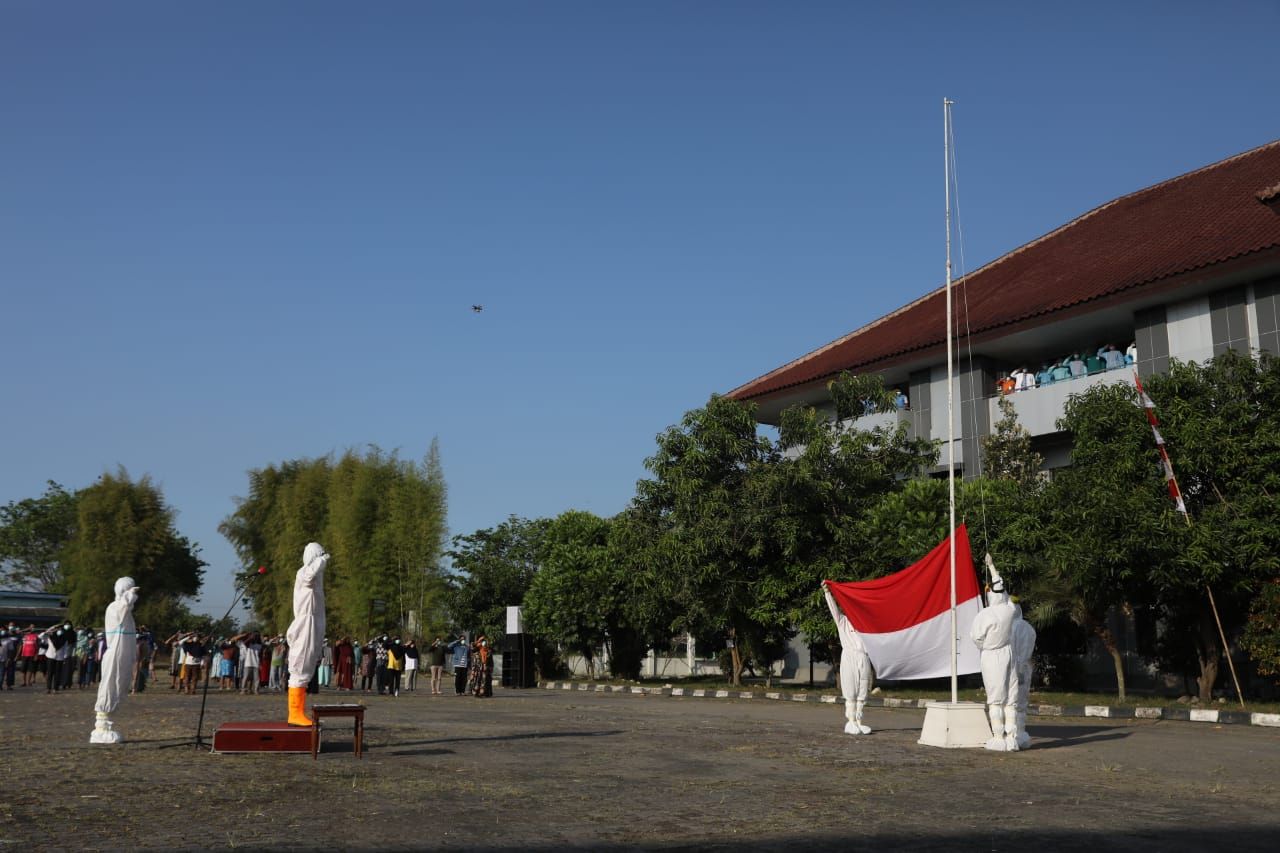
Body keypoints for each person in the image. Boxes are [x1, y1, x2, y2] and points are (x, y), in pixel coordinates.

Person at [970, 556, 1019, 752]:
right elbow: (1000, 586)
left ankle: (998, 737)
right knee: (1010, 697)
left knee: (995, 698)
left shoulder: (985, 615)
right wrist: (991, 567)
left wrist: (986, 645)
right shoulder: (1010, 610)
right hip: (1009, 653)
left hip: (991, 655)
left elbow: (976, 638)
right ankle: (1012, 738)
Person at [285, 542, 330, 726]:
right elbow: (309, 577)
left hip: (314, 622)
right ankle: (294, 713)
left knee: (308, 664)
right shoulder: (303, 572)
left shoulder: (316, 577)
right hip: (305, 623)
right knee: (300, 663)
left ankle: (299, 711)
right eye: (320, 554)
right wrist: (320, 560)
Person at [92, 577, 139, 744]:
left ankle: (106, 723)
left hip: (123, 653)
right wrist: (129, 595)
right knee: (110, 684)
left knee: (119, 685)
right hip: (115, 653)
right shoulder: (115, 607)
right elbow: (123, 606)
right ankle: (101, 727)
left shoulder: (127, 612)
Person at [823, 585, 873, 734]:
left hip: (864, 657)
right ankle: (851, 721)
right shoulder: (843, 621)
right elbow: (833, 610)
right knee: (851, 689)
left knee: (862, 689)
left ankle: (859, 721)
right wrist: (828, 593)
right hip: (849, 656)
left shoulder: (865, 623)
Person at [1011, 602, 1037, 750]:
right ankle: (1020, 734)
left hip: (1011, 667)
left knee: (1008, 703)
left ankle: (1010, 736)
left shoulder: (1008, 628)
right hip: (1025, 667)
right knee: (1021, 704)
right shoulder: (1029, 628)